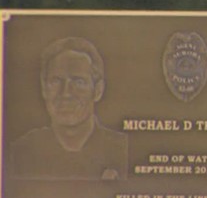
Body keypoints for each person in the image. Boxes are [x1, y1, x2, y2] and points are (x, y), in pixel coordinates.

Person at [8, 36, 129, 181]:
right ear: (44, 89)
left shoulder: (124, 152)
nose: (66, 93)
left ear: (98, 90)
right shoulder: (20, 153)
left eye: (78, 82)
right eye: (56, 81)